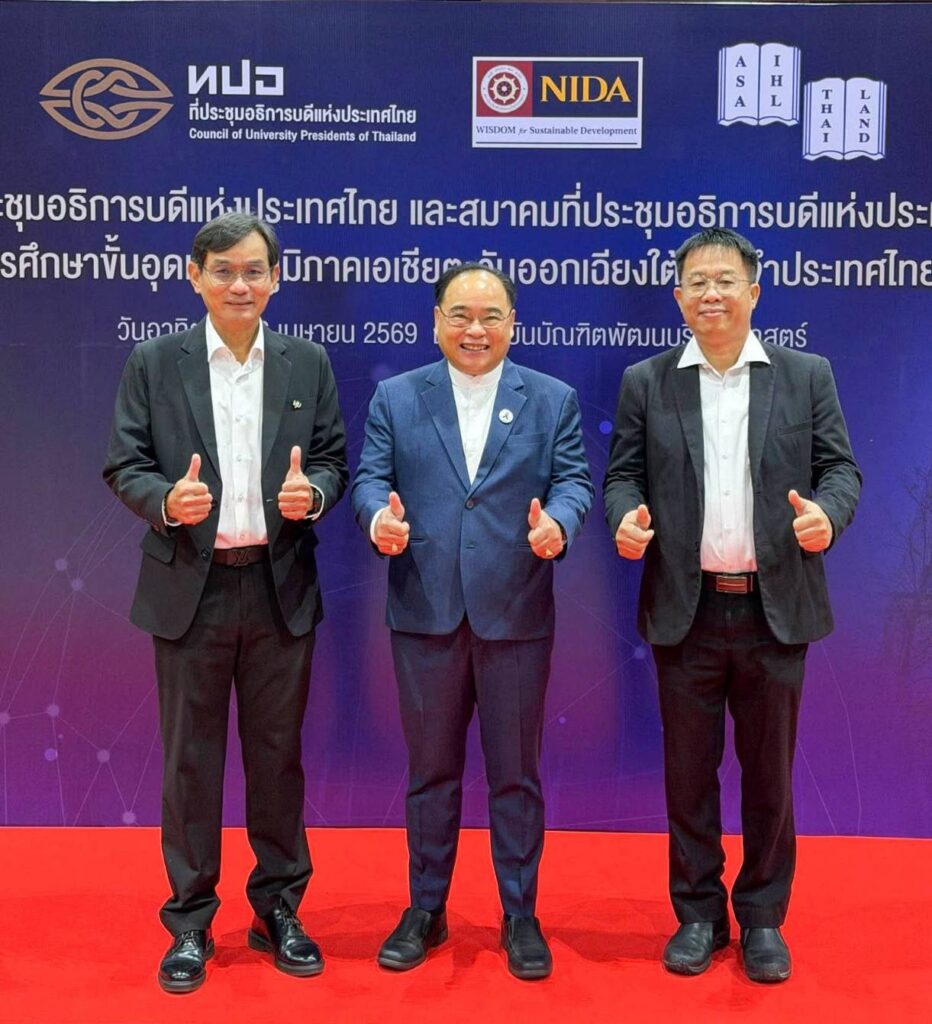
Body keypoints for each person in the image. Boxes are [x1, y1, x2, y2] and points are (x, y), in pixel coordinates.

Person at [603, 228, 861, 983]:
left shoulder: (805, 375)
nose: (710, 293)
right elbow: (623, 475)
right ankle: (698, 914)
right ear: (678, 296)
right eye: (697, 281)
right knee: (688, 774)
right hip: (685, 610)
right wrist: (625, 517)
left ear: (754, 291)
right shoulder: (648, 381)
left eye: (725, 280)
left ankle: (762, 919)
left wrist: (827, 516)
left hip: (774, 610)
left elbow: (840, 470)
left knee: (769, 774)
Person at [103, 212, 348, 993]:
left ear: (275, 279)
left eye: (253, 271)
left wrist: (315, 494)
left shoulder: (307, 362)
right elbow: (124, 463)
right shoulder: (156, 360)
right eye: (224, 271)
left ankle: (278, 908)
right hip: (191, 588)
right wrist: (163, 501)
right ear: (195, 277)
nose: (240, 285)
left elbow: (334, 460)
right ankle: (190, 921)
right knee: (191, 761)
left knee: (278, 758)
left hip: (280, 587)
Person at [352, 264, 592, 979]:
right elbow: (370, 479)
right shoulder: (398, 396)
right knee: (430, 774)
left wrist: (559, 524)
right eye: (460, 315)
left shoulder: (551, 398)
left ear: (514, 323)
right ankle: (425, 910)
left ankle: (520, 914)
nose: (475, 329)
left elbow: (574, 481)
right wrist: (377, 519)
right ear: (436, 322)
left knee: (516, 775)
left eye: (491, 316)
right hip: (424, 611)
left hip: (515, 611)